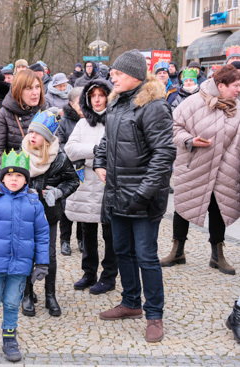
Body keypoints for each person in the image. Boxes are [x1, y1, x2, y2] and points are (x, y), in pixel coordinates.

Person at [93, 49, 176, 343]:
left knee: (146, 257)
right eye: (112, 73)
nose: (111, 78)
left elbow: (164, 154)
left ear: (136, 76)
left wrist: (143, 194)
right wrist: (99, 162)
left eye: (118, 74)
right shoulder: (117, 103)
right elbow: (106, 141)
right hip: (117, 194)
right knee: (122, 252)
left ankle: (154, 315)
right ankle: (130, 303)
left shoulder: (153, 106)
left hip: (143, 198)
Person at [0, 149, 49, 362]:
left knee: (13, 304)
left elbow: (43, 235)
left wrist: (42, 263)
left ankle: (9, 339)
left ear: (26, 180)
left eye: (19, 176)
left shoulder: (34, 204)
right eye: (10, 175)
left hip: (20, 266)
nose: (14, 179)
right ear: (2, 178)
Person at [163, 64, 240, 275]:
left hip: (223, 170)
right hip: (194, 165)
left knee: (219, 210)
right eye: (236, 85)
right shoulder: (193, 102)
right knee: (183, 207)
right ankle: (177, 251)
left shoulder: (237, 107)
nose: (238, 89)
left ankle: (218, 255)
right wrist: (189, 140)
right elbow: (174, 127)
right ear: (221, 86)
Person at [20, 111, 79, 317]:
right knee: (26, 253)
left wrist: (58, 191)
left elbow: (73, 180)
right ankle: (27, 294)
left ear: (46, 139)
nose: (32, 136)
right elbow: (5, 179)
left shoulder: (59, 157)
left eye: (37, 133)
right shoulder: (21, 155)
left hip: (48, 214)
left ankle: (50, 294)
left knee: (48, 254)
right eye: (30, 132)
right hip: (25, 214)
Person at [64, 79, 118, 295]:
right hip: (87, 185)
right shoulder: (82, 123)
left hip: (108, 184)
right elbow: (70, 149)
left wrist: (92, 155)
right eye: (92, 95)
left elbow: (116, 151)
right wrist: (97, 150)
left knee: (110, 233)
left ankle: (108, 276)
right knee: (88, 232)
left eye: (101, 95)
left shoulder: (115, 121)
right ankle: (89, 272)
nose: (97, 99)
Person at [0, 69, 44, 186]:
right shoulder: (3, 115)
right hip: (11, 183)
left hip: (41, 181)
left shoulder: (45, 112)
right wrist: (19, 169)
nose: (35, 92)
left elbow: (57, 146)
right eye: (29, 88)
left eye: (37, 87)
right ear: (18, 90)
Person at [57, 87, 84, 256]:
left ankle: (82, 239)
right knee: (65, 207)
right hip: (67, 167)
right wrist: (71, 154)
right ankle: (65, 240)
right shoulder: (64, 121)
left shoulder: (91, 119)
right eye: (79, 103)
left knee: (82, 205)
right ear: (71, 104)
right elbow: (59, 143)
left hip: (85, 168)